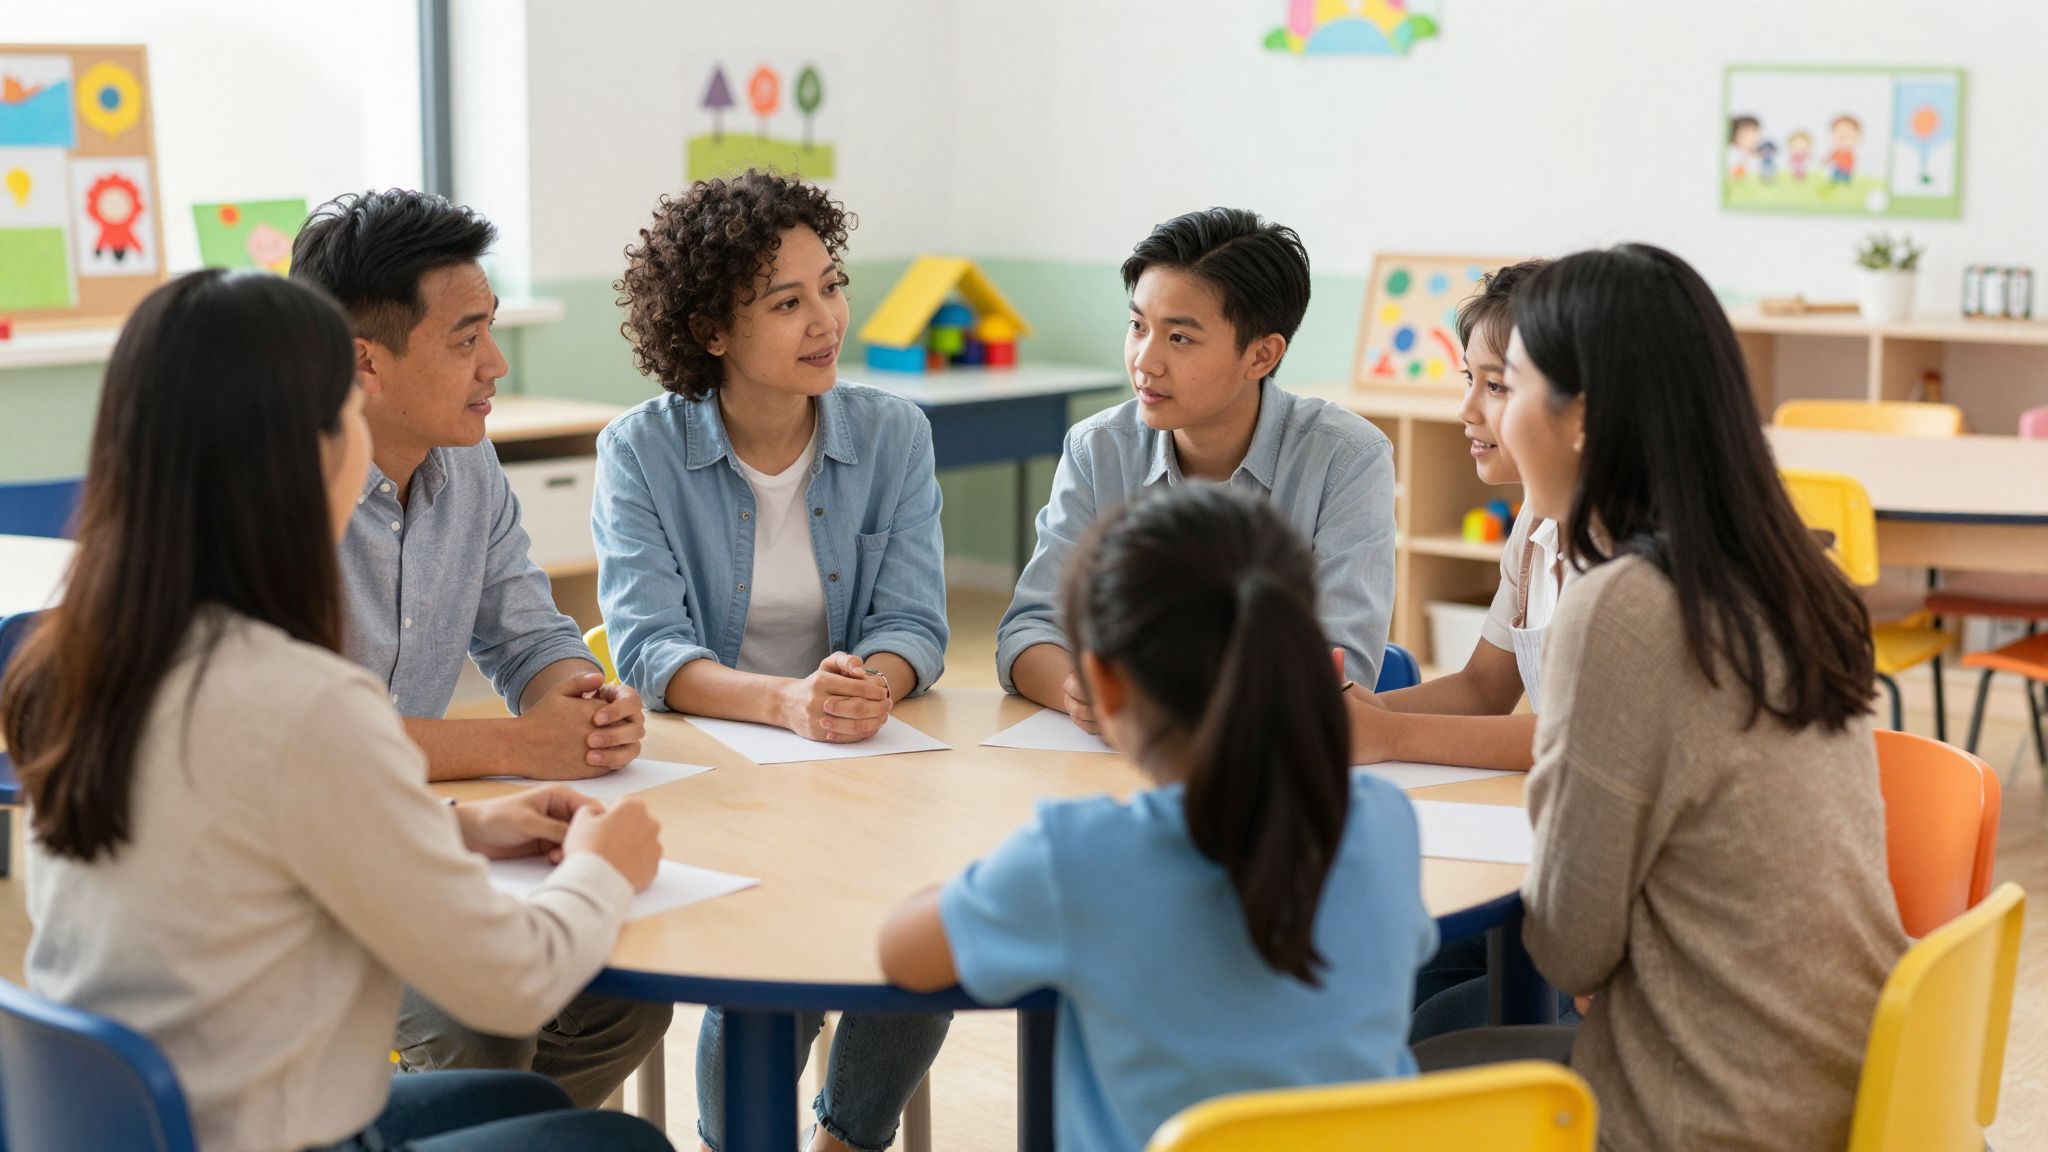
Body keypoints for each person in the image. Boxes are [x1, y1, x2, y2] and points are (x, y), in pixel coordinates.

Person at [1, 269, 673, 1152]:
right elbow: (512, 983)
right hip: (261, 1131)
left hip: (126, 1126)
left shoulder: (80, 659)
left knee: (513, 1108)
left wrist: (459, 831)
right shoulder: (299, 700)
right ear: (317, 450)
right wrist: (602, 865)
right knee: (624, 1146)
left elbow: (232, 841)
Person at [1414, 245, 1908, 1152]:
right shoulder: (1784, 571)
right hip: (1862, 1082)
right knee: (1446, 1009)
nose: (1480, 412)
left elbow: (1568, 949)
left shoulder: (1628, 603)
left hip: (1716, 1109)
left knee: (1389, 1068)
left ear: (1583, 421)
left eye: (1507, 384)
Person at [883, 485, 1436, 1152]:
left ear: (1103, 685)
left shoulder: (1078, 859)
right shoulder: (1384, 823)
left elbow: (903, 953)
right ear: (1324, 668)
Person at [292, 189, 670, 1106]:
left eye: (492, 328)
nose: (496, 365)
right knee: (488, 1017)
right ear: (364, 364)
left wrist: (580, 696)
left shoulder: (466, 465)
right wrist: (511, 747)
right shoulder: (275, 503)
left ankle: (496, 1124)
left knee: (621, 1006)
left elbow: (527, 627)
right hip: (317, 879)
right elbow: (317, 745)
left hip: (415, 836)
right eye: (466, 339)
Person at [599, 170, 950, 1152]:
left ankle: (847, 1140)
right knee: (778, 963)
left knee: (923, 922)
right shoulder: (641, 451)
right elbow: (646, 647)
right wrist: (785, 703)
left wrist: (864, 688)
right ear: (712, 329)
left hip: (863, 759)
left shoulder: (893, 434)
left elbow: (916, 620)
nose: (824, 319)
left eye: (830, 287)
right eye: (786, 302)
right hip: (710, 772)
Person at [998, 207, 1396, 732]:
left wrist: (1178, 710)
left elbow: (1340, 663)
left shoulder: (1348, 458)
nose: (1145, 360)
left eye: (1179, 338)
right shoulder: (1098, 448)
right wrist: (1083, 692)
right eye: (1137, 326)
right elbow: (1029, 630)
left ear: (1261, 356)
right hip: (1124, 757)